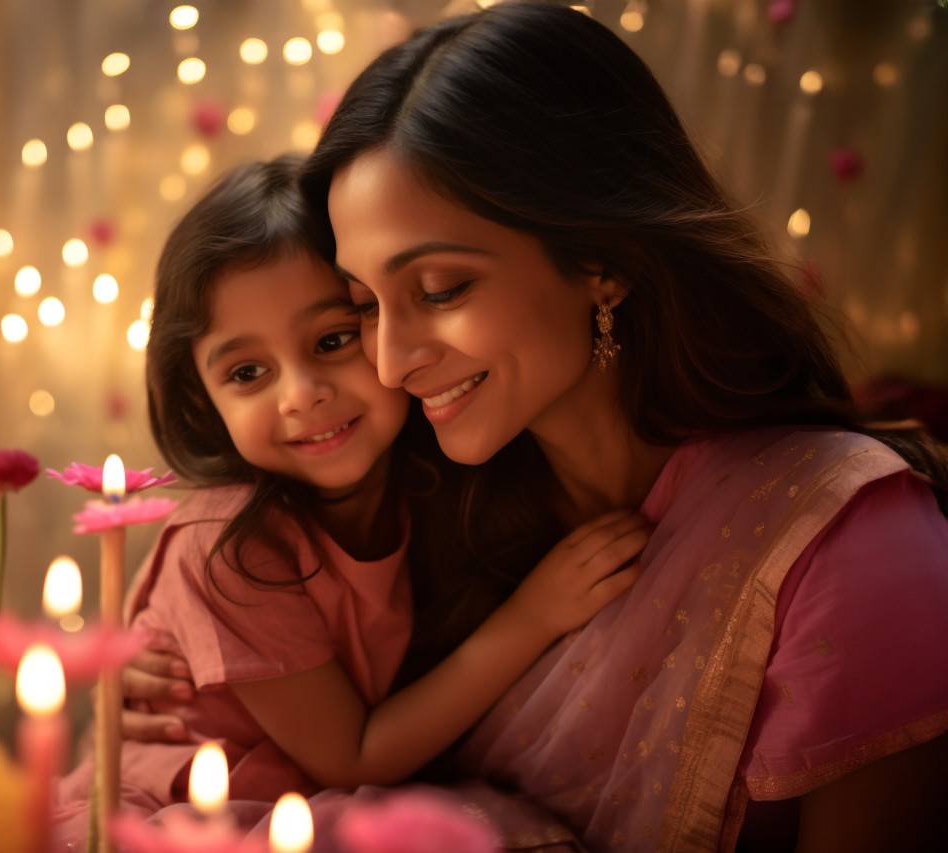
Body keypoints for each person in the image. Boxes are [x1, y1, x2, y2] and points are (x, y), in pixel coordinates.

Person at [123, 3, 948, 850]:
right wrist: (162, 667)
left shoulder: (844, 539)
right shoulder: (423, 497)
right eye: (363, 308)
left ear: (604, 261)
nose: (387, 361)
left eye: (440, 289)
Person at [51, 155, 646, 844]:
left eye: (333, 340)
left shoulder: (436, 482)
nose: (301, 393)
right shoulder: (229, 546)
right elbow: (351, 753)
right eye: (248, 372)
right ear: (204, 400)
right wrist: (534, 616)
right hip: (190, 820)